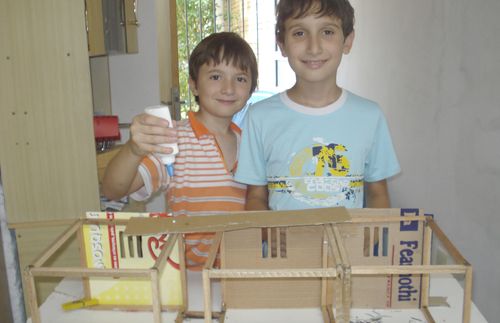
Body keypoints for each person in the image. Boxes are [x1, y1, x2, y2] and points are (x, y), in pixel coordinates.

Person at [102, 32, 258, 270]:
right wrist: (134, 149)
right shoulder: (174, 140)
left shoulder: (250, 142)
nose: (228, 88)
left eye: (240, 78)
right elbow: (113, 190)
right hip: (188, 276)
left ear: (251, 89)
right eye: (216, 76)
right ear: (194, 84)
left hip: (237, 273)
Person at [235, 0, 400, 211]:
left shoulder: (370, 116)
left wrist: (367, 241)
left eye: (327, 32)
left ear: (347, 41)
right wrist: (271, 238)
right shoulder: (259, 117)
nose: (314, 47)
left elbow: (378, 194)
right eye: (299, 33)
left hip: (349, 244)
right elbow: (256, 197)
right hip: (283, 244)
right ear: (282, 44)